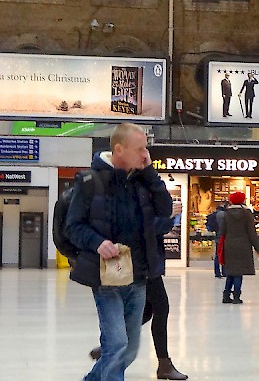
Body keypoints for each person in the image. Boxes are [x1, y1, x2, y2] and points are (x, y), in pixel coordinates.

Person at [65, 123, 173, 381]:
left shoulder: (143, 180)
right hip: (106, 277)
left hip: (138, 275)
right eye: (140, 149)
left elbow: (165, 209)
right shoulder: (90, 181)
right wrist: (97, 242)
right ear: (119, 149)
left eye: (146, 148)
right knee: (116, 344)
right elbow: (73, 226)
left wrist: (150, 174)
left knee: (130, 349)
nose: (145, 154)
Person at [89, 217, 188, 381]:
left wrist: (167, 218)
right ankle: (163, 363)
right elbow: (143, 229)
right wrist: (169, 216)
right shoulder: (136, 197)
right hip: (137, 264)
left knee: (148, 311)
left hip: (146, 263)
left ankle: (110, 345)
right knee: (161, 308)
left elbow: (156, 229)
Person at [220, 191, 259, 304]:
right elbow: (252, 232)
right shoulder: (247, 213)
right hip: (243, 245)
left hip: (229, 245)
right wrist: (258, 248)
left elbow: (222, 231)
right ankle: (237, 297)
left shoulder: (226, 214)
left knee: (231, 272)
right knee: (239, 273)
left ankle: (226, 295)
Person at [206, 203, 228, 278]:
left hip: (218, 237)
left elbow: (211, 228)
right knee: (225, 254)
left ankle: (217, 272)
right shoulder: (226, 215)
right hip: (225, 237)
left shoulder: (214, 215)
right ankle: (224, 271)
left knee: (218, 255)